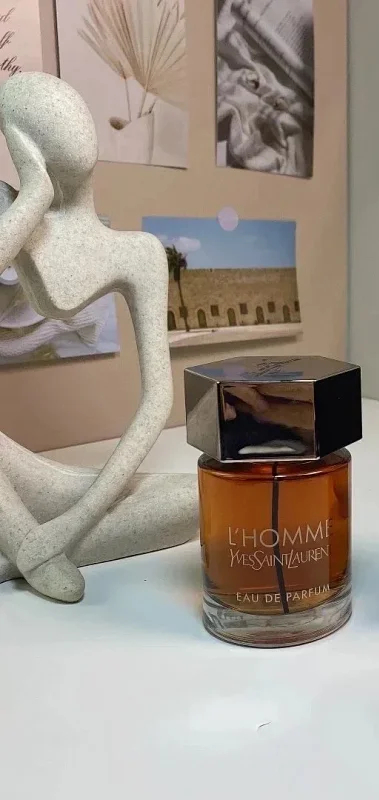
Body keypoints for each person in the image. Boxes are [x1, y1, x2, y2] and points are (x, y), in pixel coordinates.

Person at [0, 72, 196, 601]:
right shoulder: (11, 211)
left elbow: (158, 400)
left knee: (199, 498)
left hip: (61, 493)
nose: (75, 130)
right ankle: (28, 545)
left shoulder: (138, 252)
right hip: (6, 467)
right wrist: (34, 194)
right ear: (19, 143)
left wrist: (75, 521)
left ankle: (18, 553)